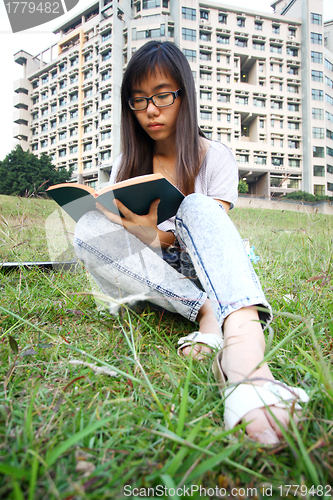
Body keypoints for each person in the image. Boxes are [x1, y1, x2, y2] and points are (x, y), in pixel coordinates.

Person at [74, 40, 308, 444]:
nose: (151, 109)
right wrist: (134, 232)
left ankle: (244, 354)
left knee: (198, 207)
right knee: (86, 231)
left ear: (185, 94)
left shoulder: (215, 156)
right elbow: (118, 238)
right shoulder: (124, 164)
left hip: (208, 268)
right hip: (154, 276)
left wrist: (153, 233)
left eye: (163, 95)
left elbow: (205, 235)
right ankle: (205, 313)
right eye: (138, 100)